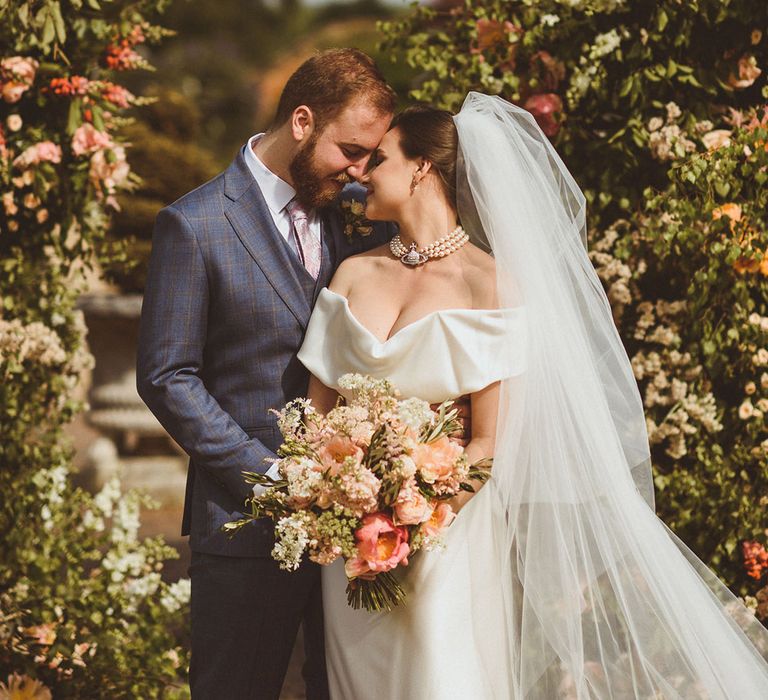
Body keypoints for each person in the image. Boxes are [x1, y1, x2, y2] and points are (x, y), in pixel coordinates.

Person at [296, 94, 768, 698]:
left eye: (380, 158)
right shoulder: (352, 274)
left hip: (444, 540)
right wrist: (338, 506)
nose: (361, 173)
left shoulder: (490, 284)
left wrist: (411, 521)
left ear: (422, 168)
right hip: (352, 546)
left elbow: (490, 441)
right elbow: (315, 417)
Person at [136, 48, 396, 699]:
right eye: (351, 150)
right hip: (244, 522)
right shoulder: (194, 225)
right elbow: (168, 376)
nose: (361, 171)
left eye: (371, 156)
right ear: (302, 121)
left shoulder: (353, 218)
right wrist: (270, 474)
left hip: (354, 531)